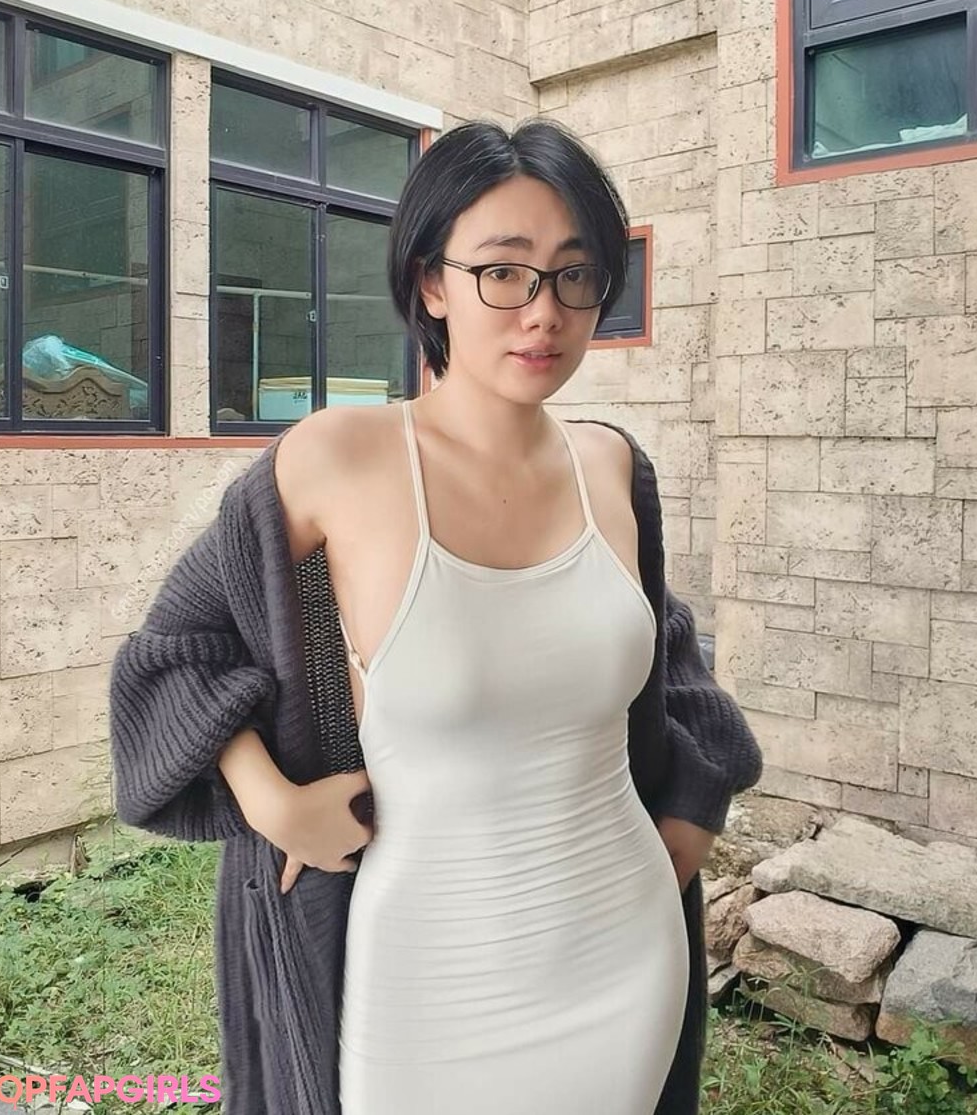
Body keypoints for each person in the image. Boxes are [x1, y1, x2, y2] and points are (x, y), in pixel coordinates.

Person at [109, 118, 762, 1115]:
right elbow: (174, 651)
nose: (543, 311)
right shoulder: (338, 459)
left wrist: (690, 816)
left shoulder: (612, 467)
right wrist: (269, 799)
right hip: (419, 971)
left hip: (621, 950)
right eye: (503, 272)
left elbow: (666, 660)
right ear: (430, 284)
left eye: (575, 274)